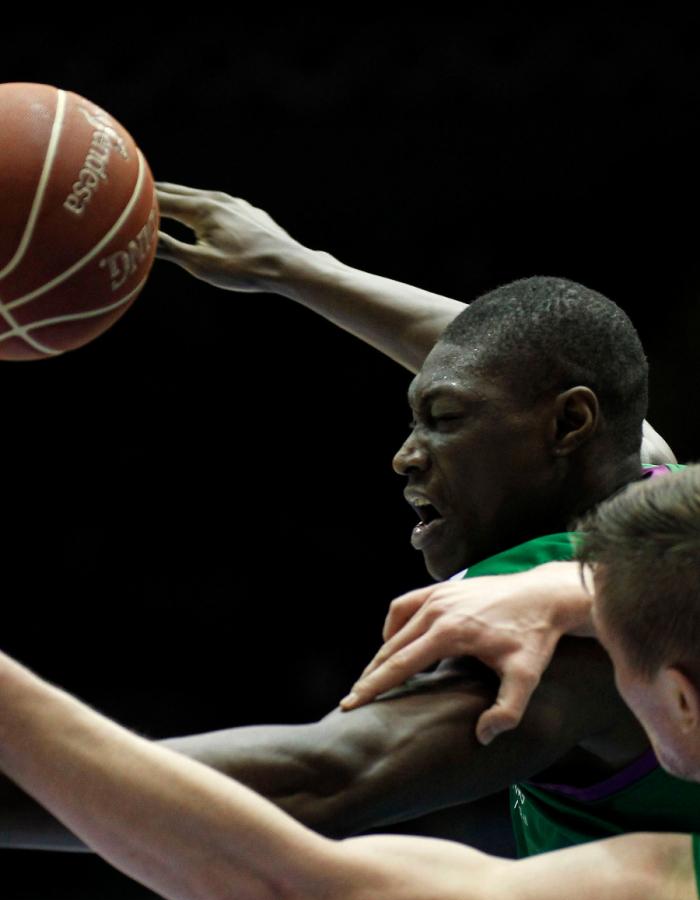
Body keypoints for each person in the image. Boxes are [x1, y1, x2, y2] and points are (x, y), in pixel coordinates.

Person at [0, 185, 687, 862]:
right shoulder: (643, 491)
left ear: (569, 424)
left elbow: (322, 779)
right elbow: (548, 379)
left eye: (444, 420)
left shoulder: (574, 636)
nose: (404, 457)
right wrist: (291, 264)